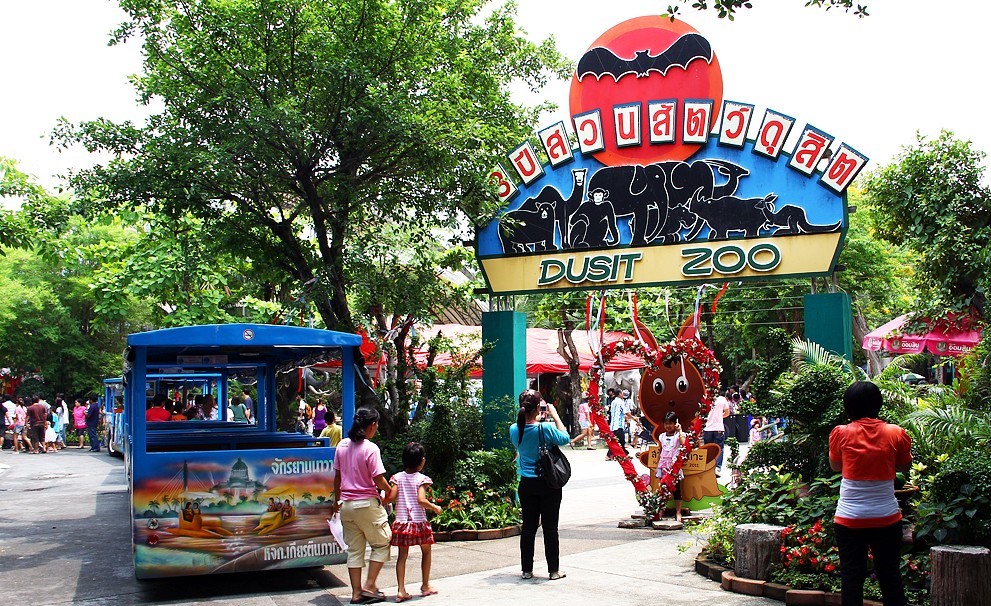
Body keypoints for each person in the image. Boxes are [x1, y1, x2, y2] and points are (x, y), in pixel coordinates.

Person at [829, 381, 912, 606]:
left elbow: (836, 466)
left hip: (849, 518)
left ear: (849, 406)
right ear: (878, 404)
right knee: (890, 576)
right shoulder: (896, 433)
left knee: (851, 577)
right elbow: (905, 466)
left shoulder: (840, 433)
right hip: (887, 518)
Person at [330, 407, 397, 605]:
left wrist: (336, 501)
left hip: (347, 506)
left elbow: (337, 477)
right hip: (366, 504)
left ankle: (356, 593)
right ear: (372, 425)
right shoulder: (371, 448)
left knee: (354, 550)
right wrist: (390, 491)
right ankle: (369, 585)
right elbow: (378, 479)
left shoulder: (342, 445)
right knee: (382, 543)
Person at [510, 388, 569, 581]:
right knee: (550, 528)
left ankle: (527, 570)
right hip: (548, 484)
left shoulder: (514, 429)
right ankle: (554, 571)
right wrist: (555, 415)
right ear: (538, 408)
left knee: (528, 527)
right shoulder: (546, 429)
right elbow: (565, 439)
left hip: (526, 484)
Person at [390, 442, 443, 602]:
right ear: (422, 461)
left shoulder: (397, 478)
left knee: (402, 556)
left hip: (401, 522)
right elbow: (421, 500)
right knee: (426, 551)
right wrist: (434, 507)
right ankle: (425, 585)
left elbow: (391, 497)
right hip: (418, 522)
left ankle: (401, 590)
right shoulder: (422, 479)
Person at [656, 412, 688, 521]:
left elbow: (684, 444)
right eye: (666, 423)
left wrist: (680, 431)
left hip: (674, 467)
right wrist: (657, 466)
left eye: (670, 423)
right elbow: (660, 450)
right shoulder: (662, 436)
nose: (668, 426)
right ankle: (661, 510)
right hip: (663, 466)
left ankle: (678, 512)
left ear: (675, 423)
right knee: (663, 489)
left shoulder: (679, 435)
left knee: (676, 490)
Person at [703, 388, 730, 469]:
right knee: (719, 448)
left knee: (708, 448)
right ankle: (718, 467)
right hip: (718, 428)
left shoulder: (705, 398)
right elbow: (727, 413)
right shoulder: (722, 399)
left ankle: (708, 466)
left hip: (707, 428)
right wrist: (720, 417)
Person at [608, 388, 630, 459]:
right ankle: (623, 455)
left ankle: (622, 454)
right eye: (622, 393)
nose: (623, 394)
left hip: (613, 425)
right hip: (619, 425)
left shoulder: (613, 402)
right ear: (619, 394)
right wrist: (633, 418)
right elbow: (626, 412)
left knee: (616, 440)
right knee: (621, 440)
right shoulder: (621, 402)